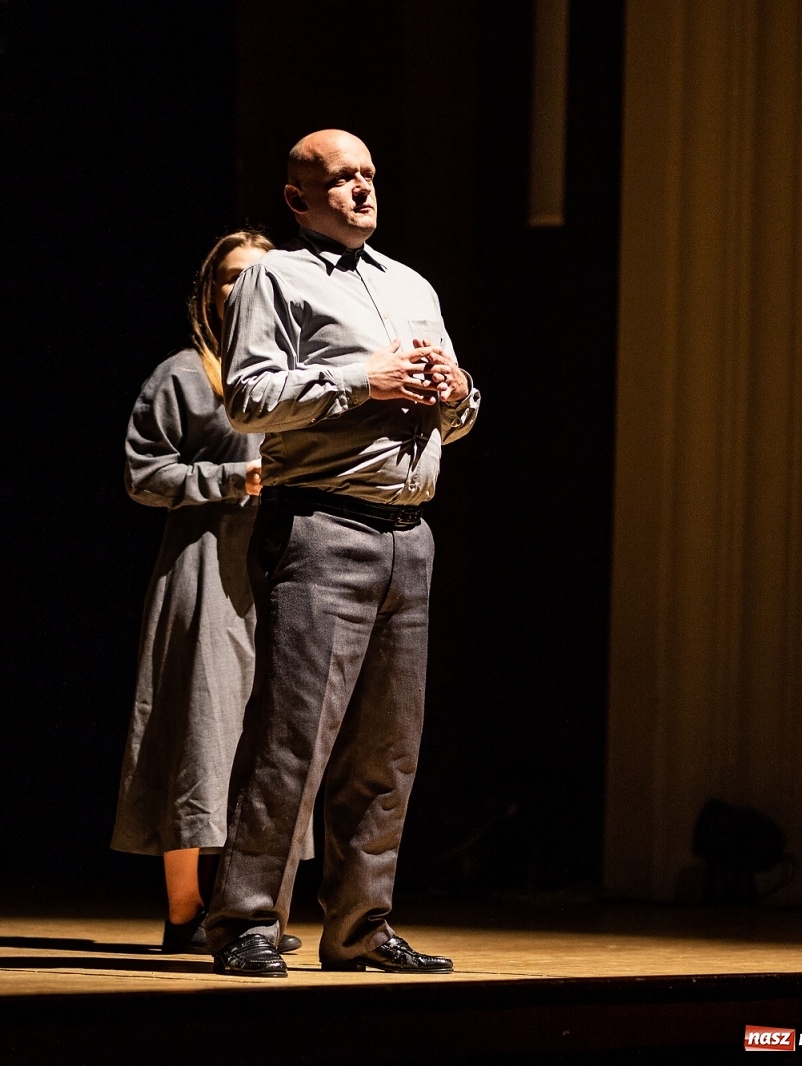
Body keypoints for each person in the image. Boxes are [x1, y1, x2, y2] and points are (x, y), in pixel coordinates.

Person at [205, 130, 481, 977]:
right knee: (292, 740)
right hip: (323, 527)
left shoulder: (412, 285)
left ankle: (361, 926)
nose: (362, 189)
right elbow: (249, 399)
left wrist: (459, 395)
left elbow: (454, 420)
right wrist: (365, 380)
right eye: (341, 179)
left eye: (368, 174)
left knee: (387, 751)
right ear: (298, 199)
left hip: (410, 535)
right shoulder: (274, 278)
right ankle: (247, 923)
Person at [111, 231, 307, 955]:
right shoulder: (184, 376)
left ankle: (250, 908)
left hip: (283, 569)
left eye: (259, 276)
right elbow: (142, 474)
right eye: (231, 278)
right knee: (196, 730)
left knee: (273, 737)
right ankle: (186, 911)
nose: (244, 289)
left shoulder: (296, 371)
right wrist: (227, 478)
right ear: (208, 293)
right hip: (205, 569)